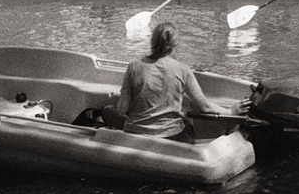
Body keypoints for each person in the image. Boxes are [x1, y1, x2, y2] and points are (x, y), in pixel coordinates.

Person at [99, 22, 250, 142]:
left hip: (137, 133)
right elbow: (204, 106)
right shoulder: (183, 69)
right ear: (174, 46)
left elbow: (122, 109)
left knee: (107, 111)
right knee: (186, 110)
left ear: (152, 42)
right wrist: (230, 111)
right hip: (172, 136)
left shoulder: (133, 66)